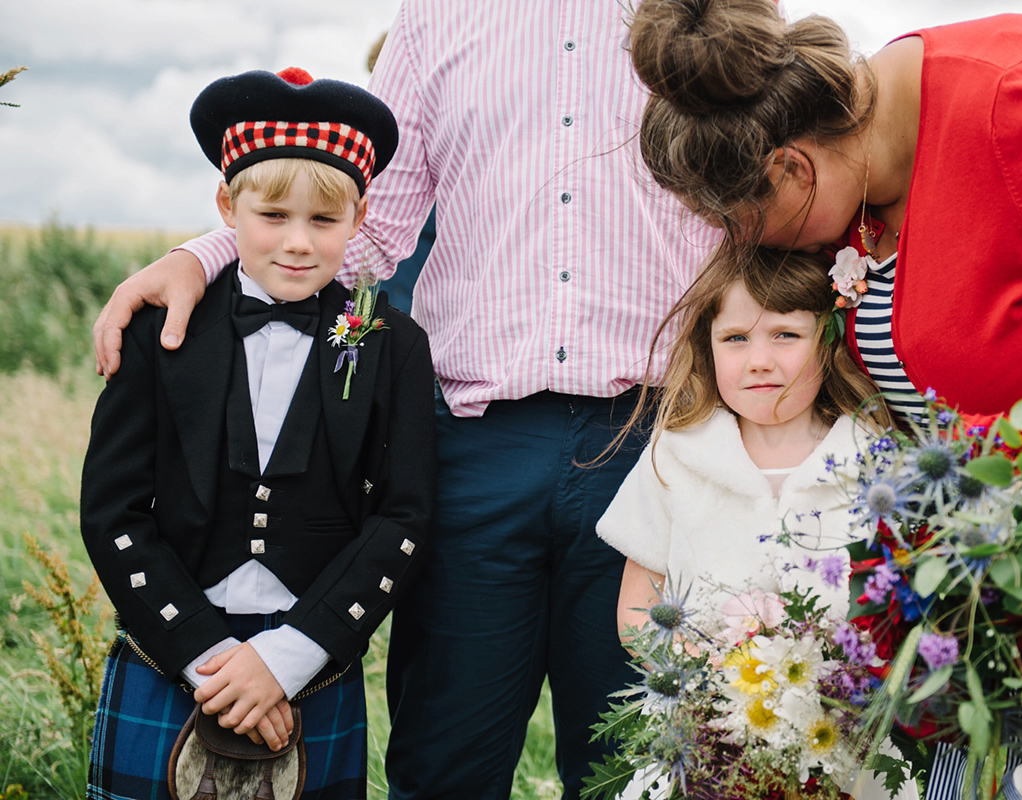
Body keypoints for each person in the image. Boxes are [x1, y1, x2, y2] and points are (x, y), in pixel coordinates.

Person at [89, 3, 717, 798]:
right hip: (474, 445)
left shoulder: (704, 13)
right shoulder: (436, 17)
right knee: (445, 761)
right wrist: (204, 256)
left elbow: (749, 200)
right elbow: (368, 226)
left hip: (658, 439)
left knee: (641, 764)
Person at [623, 1, 1022, 797]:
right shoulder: (865, 176)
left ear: (792, 167)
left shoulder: (1015, 106)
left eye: (739, 219)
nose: (741, 245)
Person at [81, 67, 436, 799]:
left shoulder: (389, 342)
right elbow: (112, 511)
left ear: (361, 216)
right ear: (226, 206)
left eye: (324, 221)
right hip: (168, 647)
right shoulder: (159, 330)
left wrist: (289, 656)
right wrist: (206, 653)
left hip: (315, 656)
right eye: (273, 217)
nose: (298, 243)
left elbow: (403, 515)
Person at [596, 245, 915, 800]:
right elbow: (636, 606)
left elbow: (903, 607)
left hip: (848, 737)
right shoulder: (677, 454)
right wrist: (706, 674)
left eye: (786, 335)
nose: (759, 360)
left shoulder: (874, 459)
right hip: (707, 737)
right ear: (708, 346)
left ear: (830, 340)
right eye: (736, 338)